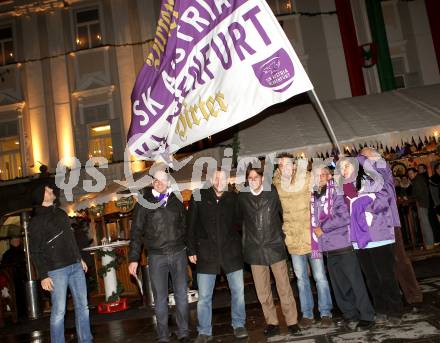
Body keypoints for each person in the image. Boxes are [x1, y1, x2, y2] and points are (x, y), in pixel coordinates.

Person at [340, 155, 403, 327]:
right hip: (359, 239)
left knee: (386, 276)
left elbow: (384, 198)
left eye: (347, 166)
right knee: (372, 278)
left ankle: (395, 309)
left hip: (378, 236)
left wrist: (364, 205)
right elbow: (344, 212)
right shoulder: (344, 187)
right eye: (342, 167)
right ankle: (381, 309)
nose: (343, 170)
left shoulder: (371, 180)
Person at [128, 168, 190, 343]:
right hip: (156, 256)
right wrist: (133, 258)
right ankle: (163, 335)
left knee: (181, 296)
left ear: (168, 182)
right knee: (160, 299)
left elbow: (185, 227)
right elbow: (136, 232)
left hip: (179, 253)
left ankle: (183, 332)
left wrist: (189, 249)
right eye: (155, 179)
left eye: (162, 179)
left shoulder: (176, 201)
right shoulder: (144, 203)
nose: (158, 182)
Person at [238, 166, 300, 337]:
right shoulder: (242, 196)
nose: (253, 180)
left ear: (261, 178)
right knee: (262, 291)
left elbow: (283, 212)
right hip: (254, 249)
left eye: (255, 177)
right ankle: (272, 322)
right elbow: (237, 219)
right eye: (250, 177)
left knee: (284, 288)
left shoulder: (272, 192)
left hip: (274, 246)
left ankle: (292, 322)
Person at [187, 168, 247, 342]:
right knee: (204, 296)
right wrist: (191, 249)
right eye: (217, 178)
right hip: (207, 253)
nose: (220, 181)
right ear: (211, 179)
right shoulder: (198, 195)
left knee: (238, 291)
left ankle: (239, 324)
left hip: (231, 252)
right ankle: (204, 331)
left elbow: (241, 223)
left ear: (228, 180)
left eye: (223, 178)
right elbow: (190, 225)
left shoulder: (234, 198)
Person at [311, 166, 375, 331]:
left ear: (330, 176)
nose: (321, 177)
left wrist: (323, 228)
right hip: (327, 248)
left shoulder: (337, 193)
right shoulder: (315, 196)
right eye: (318, 175)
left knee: (355, 282)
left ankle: (367, 316)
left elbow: (344, 216)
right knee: (339, 286)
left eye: (324, 174)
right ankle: (350, 314)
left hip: (342, 244)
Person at [273, 154, 333, 329]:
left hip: (311, 236)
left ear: (294, 165)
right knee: (301, 279)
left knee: (320, 276)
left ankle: (325, 312)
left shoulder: (307, 178)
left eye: (288, 164)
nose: (285, 168)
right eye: (281, 165)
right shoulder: (277, 184)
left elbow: (324, 191)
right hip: (292, 238)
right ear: (278, 168)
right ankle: (307, 314)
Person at [28, 183, 92, 343]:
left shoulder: (61, 213)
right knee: (59, 311)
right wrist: (43, 275)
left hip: (75, 266)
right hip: (56, 271)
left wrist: (79, 258)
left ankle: (86, 339)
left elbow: (70, 239)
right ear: (42, 196)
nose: (51, 191)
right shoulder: (36, 222)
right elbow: (35, 251)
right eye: (47, 190)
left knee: (83, 306)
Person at [361, 148, 423, 306]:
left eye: (365, 154)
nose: (362, 158)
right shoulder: (368, 176)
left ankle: (413, 295)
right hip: (376, 227)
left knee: (399, 259)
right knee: (386, 263)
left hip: (390, 224)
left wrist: (364, 159)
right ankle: (396, 294)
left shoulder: (383, 170)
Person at [1, 225, 27, 319]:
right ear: (11, 241)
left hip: (23, 279)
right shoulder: (7, 255)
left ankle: (25, 312)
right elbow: (5, 268)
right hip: (13, 281)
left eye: (17, 239)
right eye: (14, 240)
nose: (16, 241)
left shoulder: (23, 253)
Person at [407, 168, 435, 249]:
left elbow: (418, 194)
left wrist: (409, 197)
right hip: (423, 203)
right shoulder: (418, 179)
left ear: (415, 173)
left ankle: (430, 244)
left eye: (411, 173)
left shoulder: (417, 181)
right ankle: (428, 243)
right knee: (424, 223)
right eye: (409, 174)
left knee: (425, 224)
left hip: (421, 204)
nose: (410, 175)